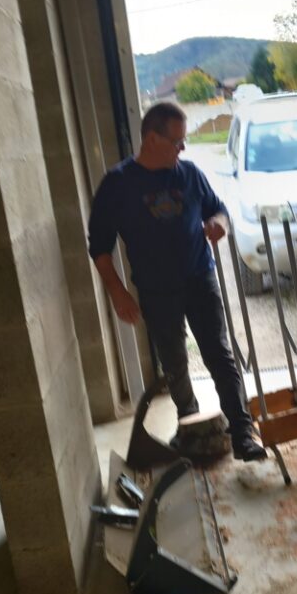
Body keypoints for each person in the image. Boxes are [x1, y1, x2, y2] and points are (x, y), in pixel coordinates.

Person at [87, 101, 266, 462]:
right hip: (156, 290)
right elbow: (100, 248)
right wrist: (118, 293)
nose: (182, 149)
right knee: (175, 363)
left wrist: (220, 224)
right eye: (177, 142)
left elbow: (219, 209)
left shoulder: (190, 174)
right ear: (152, 139)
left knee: (219, 354)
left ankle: (242, 431)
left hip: (200, 278)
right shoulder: (118, 184)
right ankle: (192, 430)